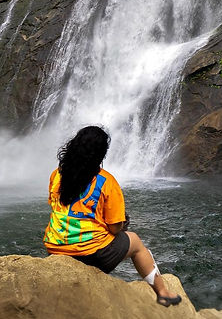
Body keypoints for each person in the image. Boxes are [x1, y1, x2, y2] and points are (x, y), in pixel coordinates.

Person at [43, 125, 182, 307]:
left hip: (54, 247)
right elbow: (114, 228)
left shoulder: (57, 175)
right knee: (135, 241)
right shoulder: (106, 181)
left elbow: (58, 207)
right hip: (90, 255)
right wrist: (122, 224)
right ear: (101, 154)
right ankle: (163, 293)